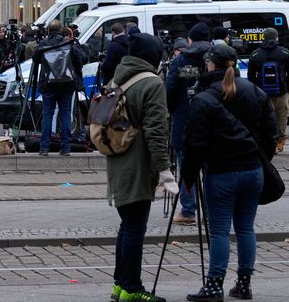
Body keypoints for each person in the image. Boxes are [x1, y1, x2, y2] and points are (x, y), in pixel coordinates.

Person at [182, 44, 278, 302]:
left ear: (211, 65)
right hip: (253, 169)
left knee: (220, 231)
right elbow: (271, 133)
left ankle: (214, 285)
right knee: (246, 228)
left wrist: (189, 177)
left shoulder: (204, 98)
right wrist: (261, 159)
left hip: (222, 173)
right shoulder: (255, 92)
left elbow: (194, 142)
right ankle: (244, 284)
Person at [106, 32, 177, 302]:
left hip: (118, 158)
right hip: (138, 163)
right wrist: (165, 170)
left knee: (127, 226)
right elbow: (156, 131)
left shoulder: (119, 77)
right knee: (135, 228)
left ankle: (120, 285)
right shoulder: (152, 83)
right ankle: (132, 289)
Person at [165, 21, 212, 225]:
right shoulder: (216, 57)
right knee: (211, 169)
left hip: (185, 121)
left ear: (190, 39)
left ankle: (188, 211)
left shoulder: (181, 60)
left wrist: (172, 110)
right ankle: (211, 212)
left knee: (186, 169)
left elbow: (171, 90)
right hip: (213, 123)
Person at [31, 20, 86, 156]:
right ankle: (65, 147)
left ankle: (44, 147)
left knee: (47, 115)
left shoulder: (44, 44)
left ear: (48, 31)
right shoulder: (68, 43)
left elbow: (35, 59)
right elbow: (80, 61)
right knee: (66, 114)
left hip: (48, 85)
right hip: (66, 84)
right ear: (61, 30)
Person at [247, 27, 289, 154]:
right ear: (276, 38)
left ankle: (268, 141)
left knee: (266, 117)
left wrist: (257, 89)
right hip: (281, 91)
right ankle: (280, 142)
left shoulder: (255, 54)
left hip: (263, 93)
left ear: (263, 38)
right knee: (282, 116)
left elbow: (251, 75)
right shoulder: (285, 53)